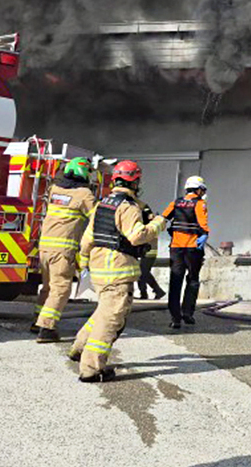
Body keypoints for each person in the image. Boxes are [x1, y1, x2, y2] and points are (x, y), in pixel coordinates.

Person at [68, 160, 165, 382]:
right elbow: (137, 236)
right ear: (135, 182)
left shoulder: (102, 204)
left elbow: (87, 239)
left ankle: (78, 348)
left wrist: (84, 264)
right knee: (110, 320)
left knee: (103, 312)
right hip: (118, 271)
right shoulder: (128, 207)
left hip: (99, 269)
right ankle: (91, 369)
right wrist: (158, 224)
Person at [32, 157, 97, 343]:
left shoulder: (55, 189)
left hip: (44, 248)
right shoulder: (84, 194)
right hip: (63, 249)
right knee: (61, 288)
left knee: (48, 287)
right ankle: (46, 329)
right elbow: (97, 217)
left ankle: (37, 321)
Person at [162, 176, 209, 329]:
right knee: (193, 279)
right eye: (202, 190)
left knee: (175, 281)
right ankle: (187, 313)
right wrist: (204, 235)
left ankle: (175, 318)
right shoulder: (199, 204)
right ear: (198, 189)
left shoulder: (176, 202)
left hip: (176, 248)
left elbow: (163, 217)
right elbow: (203, 224)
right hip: (192, 248)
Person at [136, 202, 164, 300]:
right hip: (146, 250)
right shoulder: (149, 223)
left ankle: (155, 291)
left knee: (142, 272)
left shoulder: (148, 225)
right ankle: (148, 293)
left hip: (149, 251)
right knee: (142, 272)